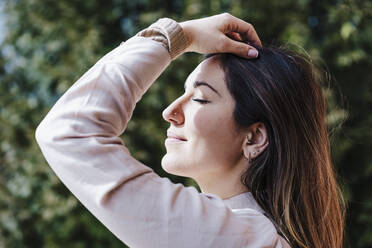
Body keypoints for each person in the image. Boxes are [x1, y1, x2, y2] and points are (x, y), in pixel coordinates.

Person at [35, 13, 345, 247]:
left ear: (254, 138)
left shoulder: (236, 238)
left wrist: (177, 35)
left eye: (199, 98)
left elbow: (68, 132)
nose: (170, 112)